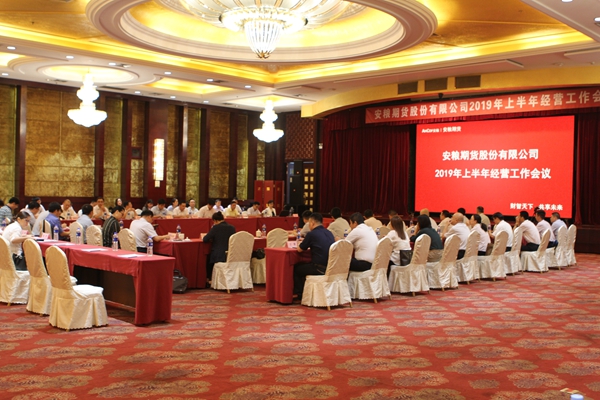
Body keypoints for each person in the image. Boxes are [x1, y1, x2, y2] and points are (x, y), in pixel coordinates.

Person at [293, 212, 335, 300]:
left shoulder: (312, 234)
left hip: (319, 268)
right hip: (331, 267)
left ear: (312, 223)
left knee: (296, 268)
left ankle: (300, 294)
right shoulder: (329, 233)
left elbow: (300, 249)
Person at [203, 212, 236, 285]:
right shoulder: (232, 227)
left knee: (207, 258)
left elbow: (205, 239)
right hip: (230, 254)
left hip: (219, 255)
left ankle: (209, 279)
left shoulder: (215, 228)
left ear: (215, 221)